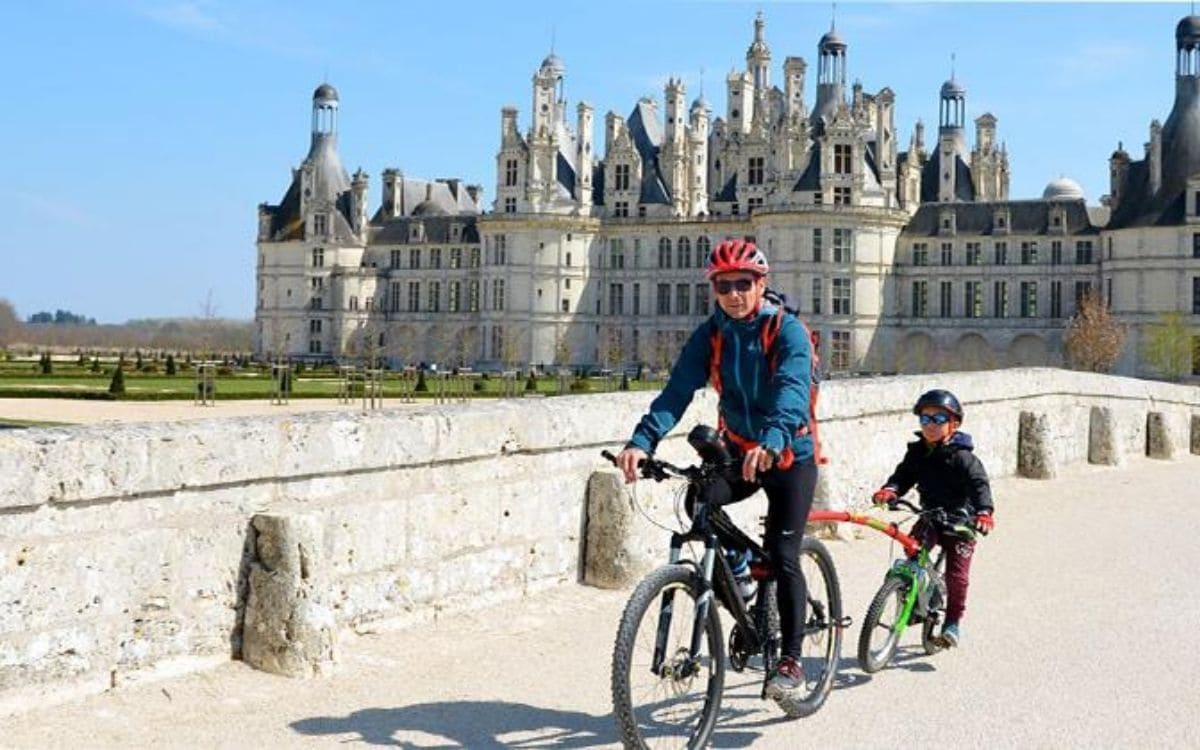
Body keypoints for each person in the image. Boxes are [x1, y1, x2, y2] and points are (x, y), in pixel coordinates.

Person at [615, 238, 817, 704]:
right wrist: (641, 440)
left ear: (761, 285)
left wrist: (774, 440)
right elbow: (676, 392)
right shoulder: (712, 334)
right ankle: (741, 571)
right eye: (723, 286)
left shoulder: (787, 333)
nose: (733, 294)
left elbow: (792, 392)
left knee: (784, 556)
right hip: (740, 449)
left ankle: (790, 661)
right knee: (697, 499)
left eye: (743, 284)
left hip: (787, 456)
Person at [871, 389, 994, 647]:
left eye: (938, 419)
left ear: (954, 424)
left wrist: (984, 512)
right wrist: (891, 489)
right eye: (925, 419)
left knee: (957, 576)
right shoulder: (917, 452)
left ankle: (952, 622)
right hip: (930, 515)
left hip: (961, 521)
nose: (930, 425)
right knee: (912, 549)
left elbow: (979, 485)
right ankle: (911, 592)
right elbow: (903, 475)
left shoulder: (963, 457)